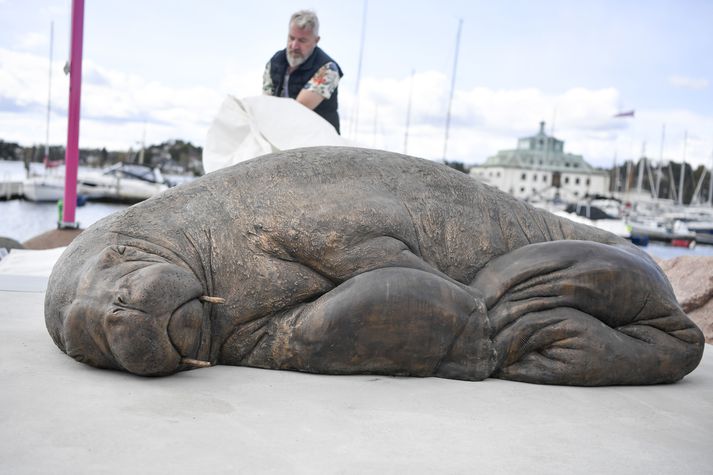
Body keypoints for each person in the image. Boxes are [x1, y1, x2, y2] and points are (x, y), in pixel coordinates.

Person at [263, 10, 343, 133]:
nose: (294, 46)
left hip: (321, 140)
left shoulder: (328, 69)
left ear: (316, 40)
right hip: (281, 133)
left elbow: (299, 110)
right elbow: (266, 104)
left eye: (302, 40)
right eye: (291, 38)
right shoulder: (274, 62)